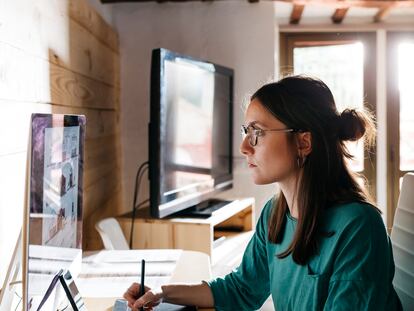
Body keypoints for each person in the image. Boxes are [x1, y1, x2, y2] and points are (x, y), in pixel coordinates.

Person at [123, 75, 402, 310]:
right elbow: (242, 289)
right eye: (247, 131)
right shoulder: (275, 213)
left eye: (257, 132)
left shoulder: (358, 227)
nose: (244, 146)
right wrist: (161, 294)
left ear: (304, 142)